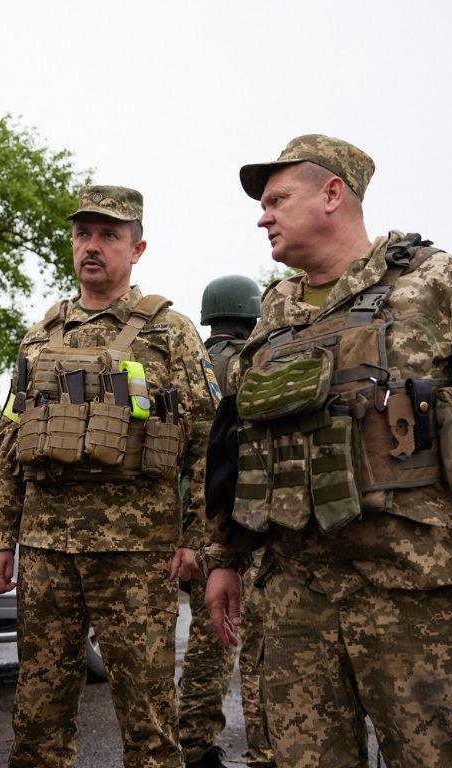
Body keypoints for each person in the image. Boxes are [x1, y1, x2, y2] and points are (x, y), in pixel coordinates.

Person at [202, 134, 452, 768]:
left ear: (332, 194)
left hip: (412, 591)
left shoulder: (436, 282)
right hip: (294, 598)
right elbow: (235, 446)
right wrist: (226, 556)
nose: (263, 217)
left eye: (276, 200)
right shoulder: (274, 314)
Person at [0, 185, 216, 768]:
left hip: (136, 555)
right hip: (46, 551)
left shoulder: (170, 333)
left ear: (137, 248)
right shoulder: (40, 337)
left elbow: (208, 445)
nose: (93, 245)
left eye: (109, 235)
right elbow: (10, 443)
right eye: (83, 233)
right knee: (36, 721)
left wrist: (198, 541)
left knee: (149, 721)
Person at [177, 275, 273, 768]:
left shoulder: (190, 364)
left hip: (186, 529)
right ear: (250, 316)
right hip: (234, 527)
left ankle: (193, 742)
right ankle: (266, 750)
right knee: (251, 639)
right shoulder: (249, 364)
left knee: (207, 637)